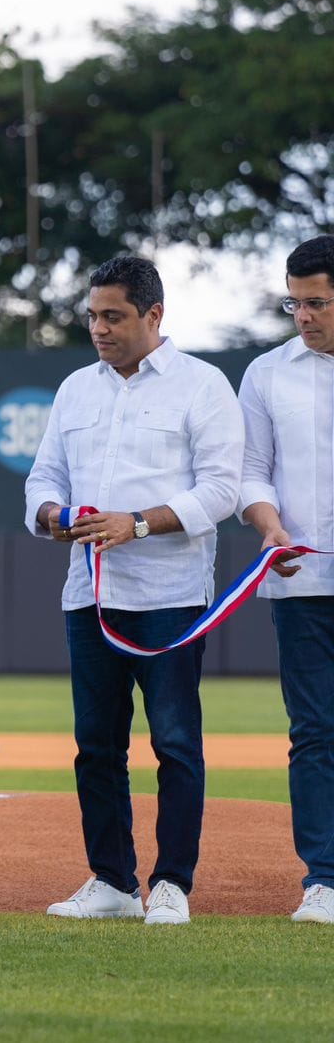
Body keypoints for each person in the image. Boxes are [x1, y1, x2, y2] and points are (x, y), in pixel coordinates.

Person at [25, 255, 243, 926]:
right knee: (96, 746)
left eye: (113, 316)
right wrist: (55, 516)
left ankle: (172, 884)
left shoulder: (202, 385)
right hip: (89, 595)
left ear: (154, 315)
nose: (99, 328)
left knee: (174, 743)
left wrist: (138, 523)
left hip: (169, 597)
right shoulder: (75, 390)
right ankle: (113, 882)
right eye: (92, 315)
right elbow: (42, 480)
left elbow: (222, 490)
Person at [239, 234, 334, 925]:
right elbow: (250, 471)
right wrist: (268, 525)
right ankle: (324, 880)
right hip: (301, 582)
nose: (303, 315)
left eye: (317, 303)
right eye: (294, 303)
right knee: (316, 731)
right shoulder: (266, 373)